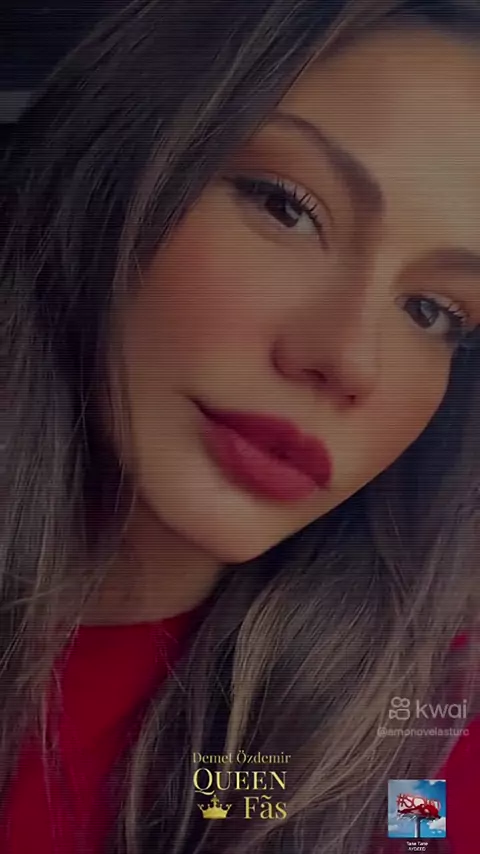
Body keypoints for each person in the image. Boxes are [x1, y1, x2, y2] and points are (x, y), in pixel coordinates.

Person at [2, 0, 480, 851]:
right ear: (108, 169)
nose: (349, 360)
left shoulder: (427, 741)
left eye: (432, 310)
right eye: (288, 207)